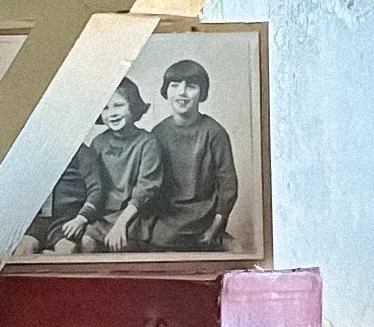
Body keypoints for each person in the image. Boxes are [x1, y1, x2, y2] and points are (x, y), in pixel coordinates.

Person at [27, 80, 167, 252]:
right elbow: (92, 187)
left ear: (133, 105)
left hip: (133, 216)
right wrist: (82, 217)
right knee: (85, 243)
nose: (112, 114)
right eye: (105, 108)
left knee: (115, 245)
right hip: (101, 216)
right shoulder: (99, 142)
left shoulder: (147, 142)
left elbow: (145, 190)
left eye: (118, 105)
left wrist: (120, 225)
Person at [131, 56, 240, 249]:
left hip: (201, 215)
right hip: (167, 215)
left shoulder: (214, 132)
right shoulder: (158, 132)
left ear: (202, 93)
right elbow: (148, 183)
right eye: (174, 85)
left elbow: (228, 185)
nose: (182, 92)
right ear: (166, 91)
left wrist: (215, 227)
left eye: (191, 86)